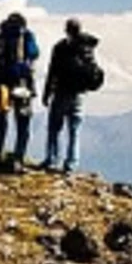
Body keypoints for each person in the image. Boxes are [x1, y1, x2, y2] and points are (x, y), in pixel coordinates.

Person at [42, 18, 101, 174]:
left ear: (66, 30)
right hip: (79, 94)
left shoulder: (61, 48)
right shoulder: (87, 47)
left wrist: (46, 93)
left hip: (62, 92)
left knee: (54, 128)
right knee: (74, 131)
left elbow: (52, 71)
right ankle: (71, 165)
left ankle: (52, 160)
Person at [0, 12, 38, 166]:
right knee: (22, 121)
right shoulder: (27, 35)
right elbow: (34, 53)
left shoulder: (1, 36)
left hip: (3, 83)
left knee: (1, 117)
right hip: (22, 83)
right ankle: (18, 159)